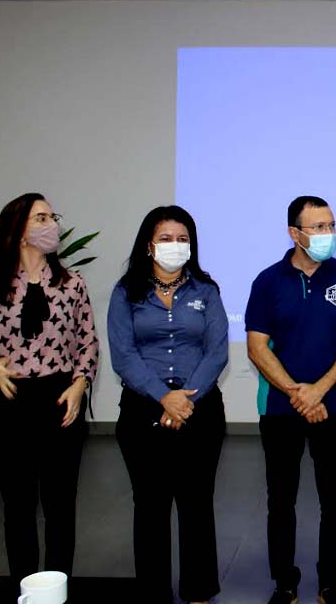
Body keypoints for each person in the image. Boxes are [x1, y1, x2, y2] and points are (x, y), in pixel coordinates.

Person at [0, 192, 98, 582]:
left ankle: (56, 585)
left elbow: (88, 341)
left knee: (60, 505)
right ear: (18, 230)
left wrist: (80, 384)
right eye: (40, 217)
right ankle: (24, 585)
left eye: (53, 216)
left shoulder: (72, 284)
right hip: (11, 402)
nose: (51, 224)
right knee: (17, 505)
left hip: (60, 399)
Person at [245, 196, 336, 604]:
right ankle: (285, 581)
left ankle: (330, 580)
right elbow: (257, 347)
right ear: (294, 233)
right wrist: (298, 393)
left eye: (331, 225)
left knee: (334, 498)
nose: (326, 235)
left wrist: (319, 390)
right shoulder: (267, 281)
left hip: (333, 406)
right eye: (317, 227)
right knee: (280, 499)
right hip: (280, 408)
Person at [107, 205, 228, 604]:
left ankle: (198, 591)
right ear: (148, 245)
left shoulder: (206, 291)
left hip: (200, 407)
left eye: (182, 239)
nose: (175, 246)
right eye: (166, 238)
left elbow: (217, 351)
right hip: (144, 409)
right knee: (151, 506)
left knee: (196, 504)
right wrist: (164, 396)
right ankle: (153, 593)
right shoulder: (126, 292)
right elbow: (123, 354)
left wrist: (185, 399)